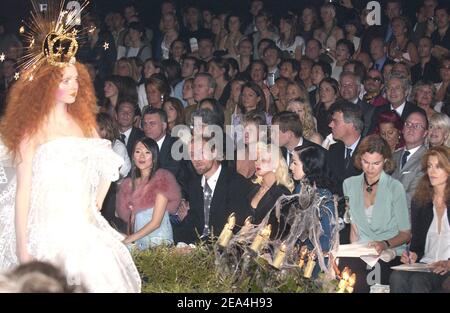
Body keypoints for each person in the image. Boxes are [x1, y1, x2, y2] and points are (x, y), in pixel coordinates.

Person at [0, 8, 140, 292]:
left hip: (80, 225)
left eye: (76, 79)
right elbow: (24, 190)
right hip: (45, 225)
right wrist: (23, 248)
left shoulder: (85, 125)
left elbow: (107, 165)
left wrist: (95, 204)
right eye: (66, 80)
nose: (74, 85)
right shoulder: (33, 129)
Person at [342, 135, 411, 293]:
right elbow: (354, 228)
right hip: (362, 250)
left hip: (389, 252)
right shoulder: (349, 184)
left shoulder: (395, 187)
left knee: (368, 277)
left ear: (386, 161)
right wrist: (354, 251)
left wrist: (384, 244)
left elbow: (406, 234)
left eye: (376, 163)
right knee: (342, 268)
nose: (370, 168)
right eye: (366, 162)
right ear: (360, 159)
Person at [390, 146, 450, 293]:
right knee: (397, 276)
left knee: (419, 281)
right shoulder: (420, 201)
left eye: (438, 166)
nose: (432, 171)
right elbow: (417, 243)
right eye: (429, 166)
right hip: (426, 264)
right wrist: (413, 255)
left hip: (446, 267)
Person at [116, 137, 181, 250]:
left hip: (159, 244)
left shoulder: (162, 180)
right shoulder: (131, 183)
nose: (142, 156)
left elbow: (156, 222)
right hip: (139, 241)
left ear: (154, 157)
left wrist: (130, 239)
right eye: (138, 152)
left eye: (147, 152)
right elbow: (131, 219)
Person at [248, 142, 294, 238]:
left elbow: (281, 230)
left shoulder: (282, 194)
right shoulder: (253, 186)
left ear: (276, 164)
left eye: (263, 160)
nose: (257, 162)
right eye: (257, 159)